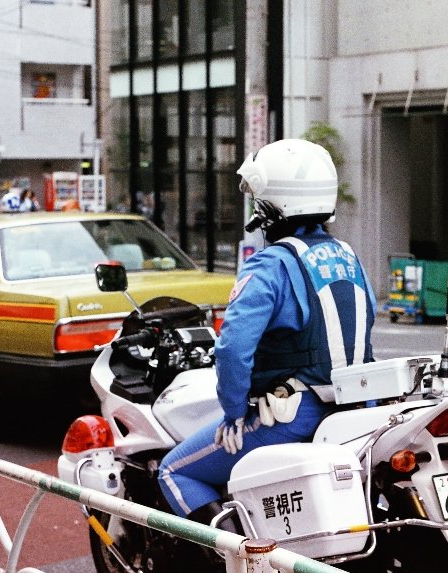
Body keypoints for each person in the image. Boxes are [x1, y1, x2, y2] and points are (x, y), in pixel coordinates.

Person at [158, 139, 377, 528]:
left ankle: (238, 560)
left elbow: (232, 350)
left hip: (293, 415)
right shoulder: (348, 256)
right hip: (357, 411)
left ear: (270, 206)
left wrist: (234, 412)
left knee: (175, 471)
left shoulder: (269, 266)